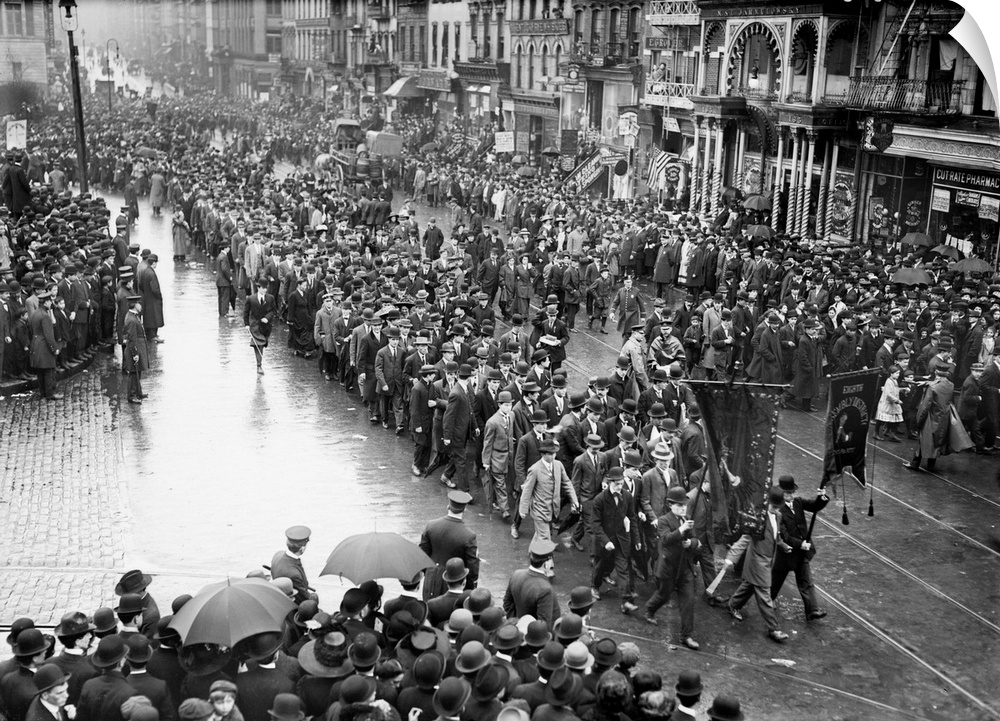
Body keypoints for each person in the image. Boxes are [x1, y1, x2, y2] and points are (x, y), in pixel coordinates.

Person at [724, 485, 791, 643]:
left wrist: (783, 546)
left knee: (749, 586)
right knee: (764, 594)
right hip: (757, 561)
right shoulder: (758, 519)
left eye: (778, 507)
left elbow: (776, 536)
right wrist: (731, 558)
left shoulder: (778, 516)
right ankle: (774, 628)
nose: (775, 509)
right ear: (767, 503)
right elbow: (745, 539)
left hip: (768, 559)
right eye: (773, 506)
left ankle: (732, 605)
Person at [642, 486, 700, 650]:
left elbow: (697, 541)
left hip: (685, 569)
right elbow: (666, 539)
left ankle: (686, 636)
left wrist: (691, 543)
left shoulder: (687, 519)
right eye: (679, 505)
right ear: (670, 505)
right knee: (664, 595)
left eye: (684, 505)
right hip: (668, 567)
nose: (683, 508)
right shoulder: (664, 521)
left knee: (688, 601)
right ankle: (650, 609)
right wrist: (682, 530)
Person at [771, 474, 829, 621]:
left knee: (806, 581)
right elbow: (784, 536)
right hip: (787, 554)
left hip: (802, 553)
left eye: (791, 492)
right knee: (776, 580)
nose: (790, 495)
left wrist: (821, 497)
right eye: (787, 493)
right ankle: (769, 598)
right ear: (782, 494)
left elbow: (815, 506)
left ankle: (812, 610)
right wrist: (799, 544)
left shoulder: (798, 502)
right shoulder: (779, 511)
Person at [590, 466, 641, 615]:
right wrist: (606, 541)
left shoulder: (627, 497)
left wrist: (636, 539)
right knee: (601, 566)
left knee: (623, 569)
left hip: (621, 541)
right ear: (610, 482)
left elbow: (632, 518)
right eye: (617, 483)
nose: (620, 486)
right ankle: (595, 586)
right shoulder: (600, 499)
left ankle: (626, 601)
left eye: (621, 483)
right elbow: (595, 524)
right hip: (604, 542)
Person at [518, 437, 578, 551]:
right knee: (544, 537)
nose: (554, 456)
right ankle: (544, 562)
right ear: (543, 454)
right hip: (539, 509)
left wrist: (574, 500)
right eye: (551, 454)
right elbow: (527, 490)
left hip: (553, 508)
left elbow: (567, 483)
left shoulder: (558, 465)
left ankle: (532, 554)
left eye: (555, 453)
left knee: (540, 534)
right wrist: (523, 509)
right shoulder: (535, 469)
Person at [419, 491, 480, 600]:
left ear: (448, 506)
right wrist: (471, 589)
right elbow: (472, 568)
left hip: (431, 578)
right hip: (454, 582)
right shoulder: (469, 536)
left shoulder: (431, 526)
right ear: (464, 509)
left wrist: (425, 574)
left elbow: (422, 555)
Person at [905, 363, 956, 471]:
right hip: (944, 416)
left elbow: (926, 405)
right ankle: (931, 465)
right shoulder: (951, 385)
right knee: (938, 440)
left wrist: (919, 421)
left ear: (936, 372)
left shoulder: (932, 387)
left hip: (931, 416)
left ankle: (915, 463)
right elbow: (941, 385)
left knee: (922, 438)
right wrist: (927, 382)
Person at [502, 539, 561, 628]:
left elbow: (507, 604)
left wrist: (517, 623)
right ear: (547, 563)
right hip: (534, 635)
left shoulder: (516, 574)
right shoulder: (545, 589)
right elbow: (544, 624)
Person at [442, 363, 480, 494]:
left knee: (456, 457)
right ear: (469, 378)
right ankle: (465, 491)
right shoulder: (456, 393)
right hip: (456, 434)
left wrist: (475, 426)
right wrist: (447, 436)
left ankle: (446, 476)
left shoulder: (465, 389)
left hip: (463, 432)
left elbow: (470, 410)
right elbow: (449, 417)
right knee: (461, 460)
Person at [481, 389, 516, 520]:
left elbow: (511, 433)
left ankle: (496, 501)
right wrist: (486, 461)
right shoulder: (492, 422)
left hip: (508, 456)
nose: (508, 407)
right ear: (499, 405)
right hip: (496, 456)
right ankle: (505, 509)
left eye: (510, 404)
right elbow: (487, 442)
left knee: (503, 481)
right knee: (500, 483)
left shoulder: (511, 416)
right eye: (506, 405)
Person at [28, 289, 61, 401]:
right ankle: (50, 393)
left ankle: (43, 392)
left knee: (40, 371)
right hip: (44, 346)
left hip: (35, 343)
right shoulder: (45, 316)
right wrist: (54, 348)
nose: (51, 303)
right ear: (46, 303)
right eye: (50, 301)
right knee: (48, 370)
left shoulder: (34, 313)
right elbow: (49, 335)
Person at [269, 525, 313, 604]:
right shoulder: (294, 573)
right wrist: (313, 599)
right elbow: (304, 598)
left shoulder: (277, 555)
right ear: (302, 548)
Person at [375, 325, 406, 433]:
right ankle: (385, 419)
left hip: (397, 382)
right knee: (384, 403)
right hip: (386, 383)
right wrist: (383, 383)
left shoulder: (402, 352)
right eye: (393, 339)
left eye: (397, 340)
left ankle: (399, 425)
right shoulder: (381, 352)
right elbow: (378, 370)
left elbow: (403, 367)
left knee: (398, 404)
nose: (395, 342)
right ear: (389, 339)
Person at [244, 281, 276, 375]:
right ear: (258, 288)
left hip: (266, 326)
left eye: (266, 288)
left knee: (263, 343)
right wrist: (246, 324)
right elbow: (246, 312)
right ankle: (259, 366)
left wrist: (267, 317)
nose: (265, 290)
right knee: (258, 344)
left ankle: (259, 364)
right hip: (255, 325)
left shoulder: (270, 298)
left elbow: (274, 311)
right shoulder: (251, 299)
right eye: (263, 288)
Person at [121, 295, 148, 404]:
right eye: (139, 303)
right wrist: (135, 353)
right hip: (135, 348)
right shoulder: (132, 319)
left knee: (138, 371)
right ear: (135, 305)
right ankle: (132, 395)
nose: (141, 305)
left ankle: (138, 392)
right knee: (133, 373)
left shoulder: (133, 315)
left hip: (138, 347)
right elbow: (132, 338)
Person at [137, 254, 164, 343]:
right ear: (153, 263)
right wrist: (159, 296)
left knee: (148, 316)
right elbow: (155, 289)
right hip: (153, 299)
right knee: (154, 317)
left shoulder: (145, 271)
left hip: (146, 298)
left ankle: (149, 335)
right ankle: (153, 336)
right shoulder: (151, 273)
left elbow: (140, 285)